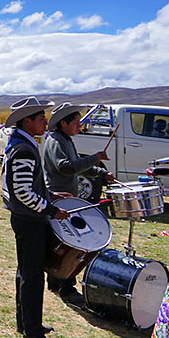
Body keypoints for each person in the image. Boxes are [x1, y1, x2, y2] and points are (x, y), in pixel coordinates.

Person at [1, 96, 71, 338]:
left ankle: (27, 323)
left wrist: (49, 195)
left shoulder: (21, 144)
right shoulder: (23, 149)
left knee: (26, 272)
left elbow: (27, 186)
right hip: (29, 219)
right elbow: (22, 191)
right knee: (32, 275)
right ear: (26, 121)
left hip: (26, 217)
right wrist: (50, 209)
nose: (44, 123)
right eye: (40, 119)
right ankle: (33, 329)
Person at [41, 102, 113, 305]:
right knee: (70, 242)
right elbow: (66, 167)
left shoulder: (64, 140)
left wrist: (100, 172)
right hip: (59, 199)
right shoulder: (56, 141)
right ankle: (66, 287)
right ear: (63, 123)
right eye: (76, 122)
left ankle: (55, 282)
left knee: (61, 241)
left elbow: (76, 166)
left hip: (65, 200)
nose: (79, 126)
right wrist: (95, 158)